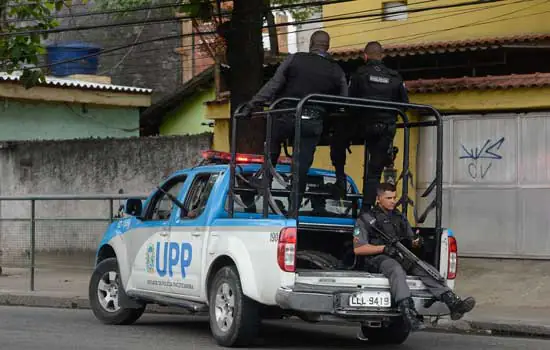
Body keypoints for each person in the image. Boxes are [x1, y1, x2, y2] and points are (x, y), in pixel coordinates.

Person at [241, 30, 348, 212]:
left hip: (286, 116)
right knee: (302, 165)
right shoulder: (336, 70)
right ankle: (294, 209)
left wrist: (252, 104)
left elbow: (273, 84)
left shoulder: (295, 59)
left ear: (311, 44)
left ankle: (265, 179)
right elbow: (343, 101)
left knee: (273, 140)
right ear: (327, 47)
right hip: (313, 122)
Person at [353, 183, 476, 332]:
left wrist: (417, 242)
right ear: (379, 199)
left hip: (400, 255)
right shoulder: (366, 219)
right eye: (389, 198)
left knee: (425, 269)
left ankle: (453, 302)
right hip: (378, 258)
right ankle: (408, 312)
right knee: (396, 270)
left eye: (394, 197)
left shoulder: (398, 217)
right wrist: (384, 248)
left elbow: (411, 240)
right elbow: (359, 249)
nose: (393, 201)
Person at [330, 41, 408, 208]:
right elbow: (404, 104)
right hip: (386, 128)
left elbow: (349, 102)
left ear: (365, 56)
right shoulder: (395, 77)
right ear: (382, 56)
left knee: (338, 137)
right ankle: (366, 210)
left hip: (363, 126)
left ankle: (340, 178)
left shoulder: (359, 74)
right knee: (374, 173)